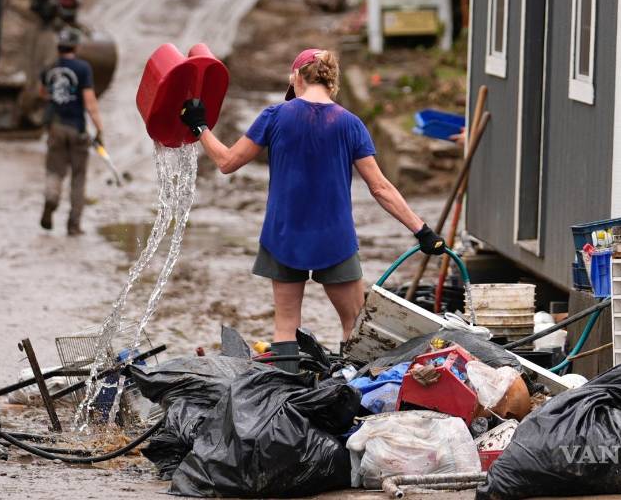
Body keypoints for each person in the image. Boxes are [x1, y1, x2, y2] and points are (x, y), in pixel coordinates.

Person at [180, 48, 445, 369]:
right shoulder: (350, 124)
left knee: (285, 324)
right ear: (331, 84)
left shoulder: (275, 116)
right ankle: (351, 394)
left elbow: (226, 163)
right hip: (334, 239)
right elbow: (380, 188)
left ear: (296, 77)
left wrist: (199, 128)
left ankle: (284, 400)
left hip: (283, 236)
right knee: (354, 324)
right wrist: (422, 230)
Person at [39, 27, 104, 235]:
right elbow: (90, 102)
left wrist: (57, 98)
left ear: (59, 46)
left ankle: (51, 199)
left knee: (55, 171)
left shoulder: (49, 69)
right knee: (78, 177)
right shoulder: (83, 68)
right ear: (76, 46)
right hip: (77, 129)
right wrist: (99, 128)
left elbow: (42, 93)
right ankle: (73, 225)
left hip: (56, 128)